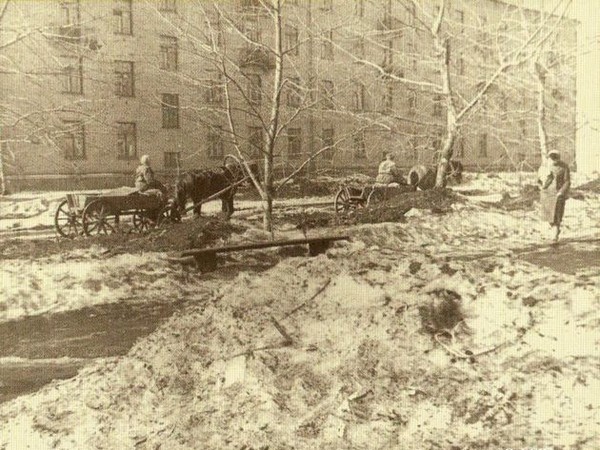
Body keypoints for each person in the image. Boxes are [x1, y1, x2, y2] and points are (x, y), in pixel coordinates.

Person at [539, 149, 570, 242]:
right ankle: (554, 229)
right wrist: (541, 186)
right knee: (549, 217)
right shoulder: (544, 166)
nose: (554, 159)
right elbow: (539, 179)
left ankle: (555, 235)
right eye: (552, 157)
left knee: (557, 216)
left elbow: (567, 181)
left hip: (558, 195)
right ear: (549, 157)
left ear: (558, 157)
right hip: (547, 195)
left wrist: (562, 191)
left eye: (555, 157)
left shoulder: (564, 167)